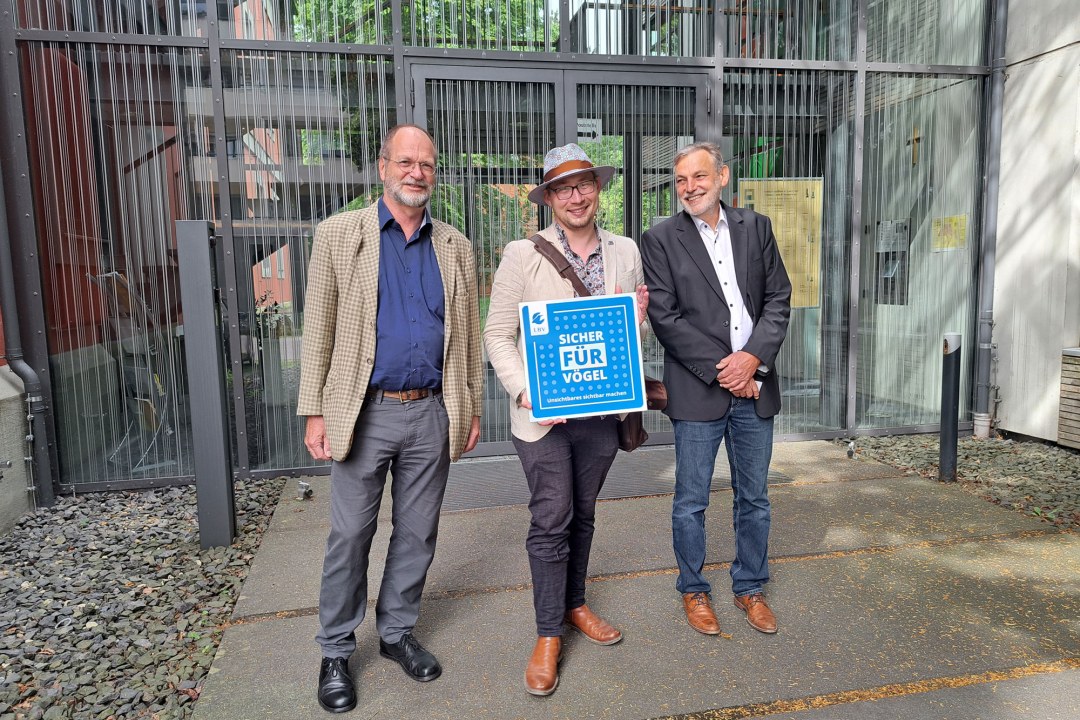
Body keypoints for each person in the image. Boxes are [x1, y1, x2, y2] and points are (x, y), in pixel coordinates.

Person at [297, 124, 483, 713]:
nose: (416, 173)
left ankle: (397, 632)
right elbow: (318, 327)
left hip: (431, 410)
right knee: (351, 533)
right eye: (405, 162)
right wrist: (314, 411)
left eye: (426, 164)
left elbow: (467, 337)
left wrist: (470, 407)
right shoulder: (339, 235)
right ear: (383, 168)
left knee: (418, 532)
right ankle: (335, 649)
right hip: (364, 410)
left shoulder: (455, 246)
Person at [483, 143, 648, 697]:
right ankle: (548, 633)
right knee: (552, 517)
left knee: (583, 513)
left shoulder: (625, 250)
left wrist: (639, 320)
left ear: (597, 188)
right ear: (549, 199)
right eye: (562, 189)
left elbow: (623, 334)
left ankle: (574, 603)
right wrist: (525, 390)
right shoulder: (522, 254)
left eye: (583, 185)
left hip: (600, 412)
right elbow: (496, 334)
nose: (575, 197)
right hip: (544, 417)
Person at [640, 141, 791, 637]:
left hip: (755, 386)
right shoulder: (660, 238)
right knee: (691, 500)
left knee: (755, 498)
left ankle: (750, 586)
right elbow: (665, 317)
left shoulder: (756, 227)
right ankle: (694, 589)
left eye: (699, 177)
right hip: (699, 390)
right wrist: (728, 370)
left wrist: (753, 360)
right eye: (681, 180)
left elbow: (778, 298)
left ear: (722, 176)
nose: (690, 188)